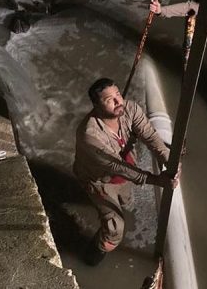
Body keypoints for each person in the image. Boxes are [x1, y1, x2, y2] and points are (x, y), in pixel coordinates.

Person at [73, 78, 178, 266]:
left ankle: (103, 210)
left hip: (125, 176)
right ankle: (90, 258)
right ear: (96, 106)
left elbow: (149, 135)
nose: (118, 102)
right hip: (99, 180)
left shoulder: (130, 108)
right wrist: (157, 180)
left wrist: (168, 160)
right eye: (109, 100)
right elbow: (116, 166)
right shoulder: (89, 134)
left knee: (127, 203)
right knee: (115, 228)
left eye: (118, 94)